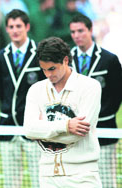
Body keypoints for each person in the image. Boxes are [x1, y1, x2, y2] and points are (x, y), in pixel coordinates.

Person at [24, 37, 102, 187]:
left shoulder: (90, 86)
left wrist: (43, 129)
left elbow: (76, 134)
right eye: (43, 69)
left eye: (52, 68)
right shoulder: (35, 90)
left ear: (65, 60)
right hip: (47, 176)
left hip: (83, 176)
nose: (47, 74)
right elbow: (29, 130)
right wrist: (66, 125)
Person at [69, 14, 122, 188]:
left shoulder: (109, 60)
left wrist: (97, 118)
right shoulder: (66, 60)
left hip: (104, 129)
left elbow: (116, 95)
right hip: (76, 132)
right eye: (73, 32)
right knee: (79, 179)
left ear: (90, 30)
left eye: (80, 31)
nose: (76, 35)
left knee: (106, 179)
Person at [0, 9, 44, 188]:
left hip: (34, 126)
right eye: (11, 27)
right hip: (8, 125)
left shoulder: (40, 53)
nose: (15, 30)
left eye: (18, 26)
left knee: (38, 178)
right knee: (11, 180)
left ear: (27, 27)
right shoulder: (0, 57)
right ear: (7, 29)